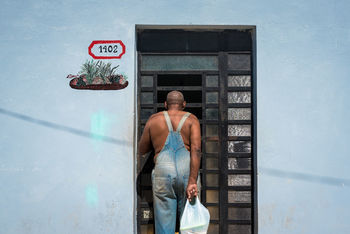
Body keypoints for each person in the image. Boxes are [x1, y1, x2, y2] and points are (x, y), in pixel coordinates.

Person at [138, 90, 201, 234]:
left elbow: (142, 150)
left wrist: (157, 143)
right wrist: (192, 180)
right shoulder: (192, 120)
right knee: (191, 222)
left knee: (164, 222)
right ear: (184, 104)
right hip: (187, 172)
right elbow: (196, 150)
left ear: (165, 104)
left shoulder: (154, 119)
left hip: (163, 172)